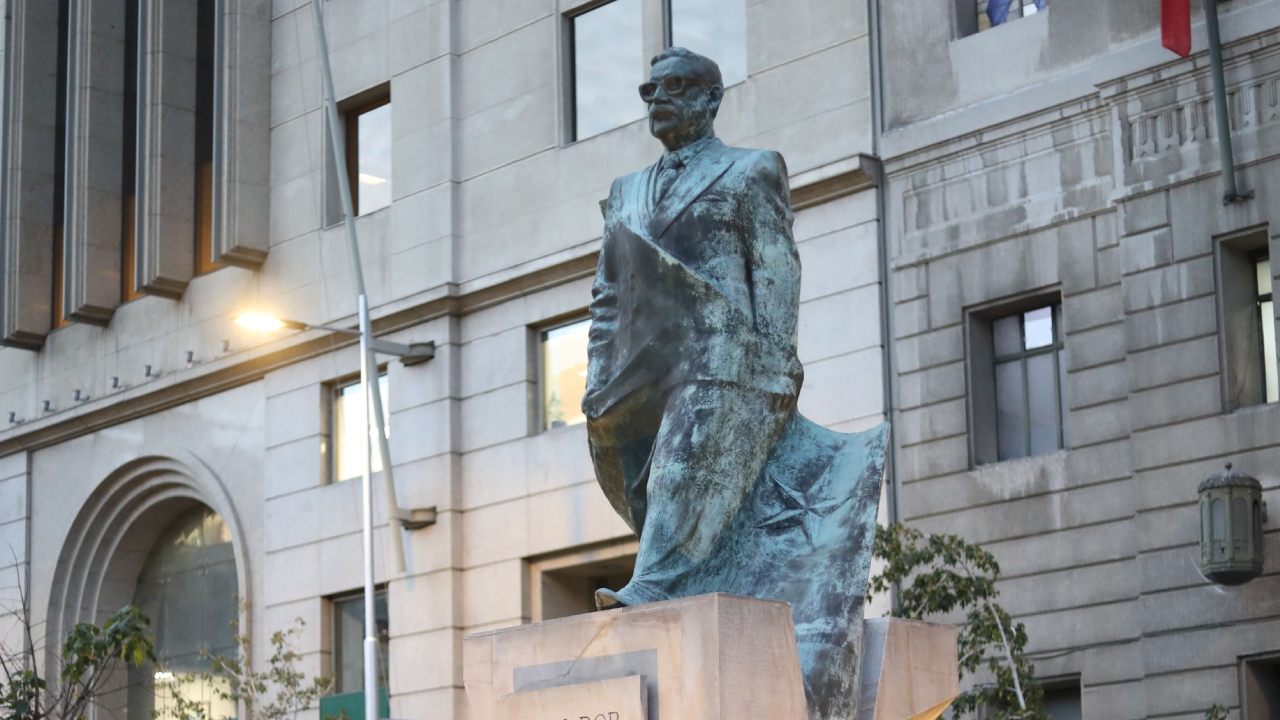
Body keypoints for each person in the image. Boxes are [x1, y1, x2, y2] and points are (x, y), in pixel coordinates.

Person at [583, 46, 803, 609]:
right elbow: (609, 291)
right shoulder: (625, 190)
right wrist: (597, 369)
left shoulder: (752, 169)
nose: (658, 98)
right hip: (641, 360)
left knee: (677, 468)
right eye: (650, 90)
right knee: (626, 461)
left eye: (675, 86)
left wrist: (778, 359)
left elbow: (775, 268)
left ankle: (655, 580)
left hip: (723, 351)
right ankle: (685, 561)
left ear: (712, 98)